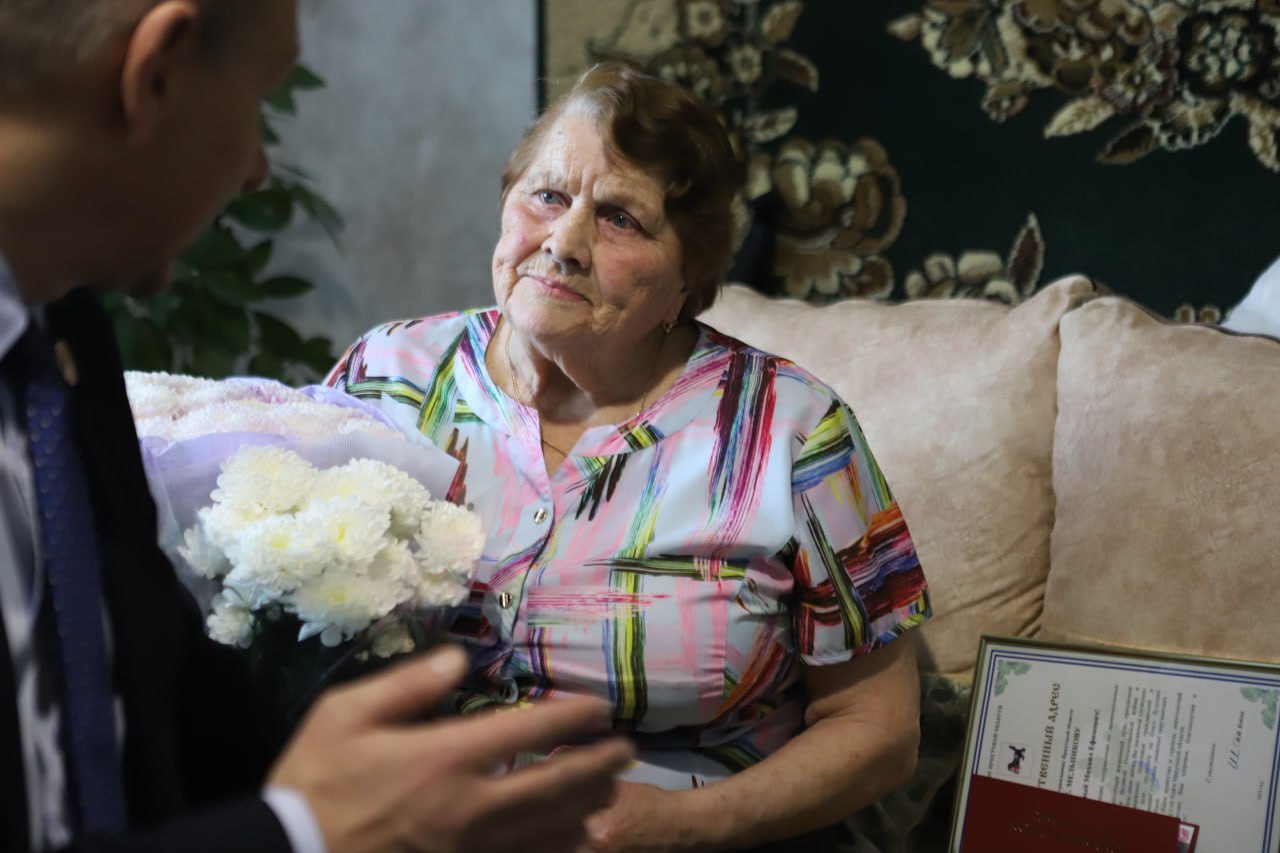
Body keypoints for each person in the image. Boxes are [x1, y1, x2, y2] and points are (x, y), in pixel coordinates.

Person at [0, 1, 634, 851]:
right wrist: (300, 829)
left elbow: (149, 683)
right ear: (156, 74)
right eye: (259, 99)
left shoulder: (62, 340)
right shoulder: (392, 362)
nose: (259, 170)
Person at [327, 62, 933, 851]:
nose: (564, 243)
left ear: (688, 277)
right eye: (548, 196)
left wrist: (686, 825)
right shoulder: (386, 379)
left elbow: (879, 728)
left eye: (620, 219)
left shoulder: (792, 432)